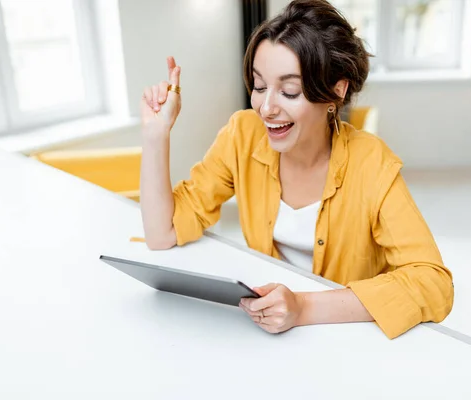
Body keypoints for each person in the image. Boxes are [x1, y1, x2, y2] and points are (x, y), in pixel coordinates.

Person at [139, 0, 453, 339]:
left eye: (289, 91)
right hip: (264, 331)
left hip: (344, 334)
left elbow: (433, 282)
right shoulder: (242, 134)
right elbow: (162, 233)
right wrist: (156, 135)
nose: (267, 108)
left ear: (336, 90)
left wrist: (303, 308)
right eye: (259, 87)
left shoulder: (371, 163)